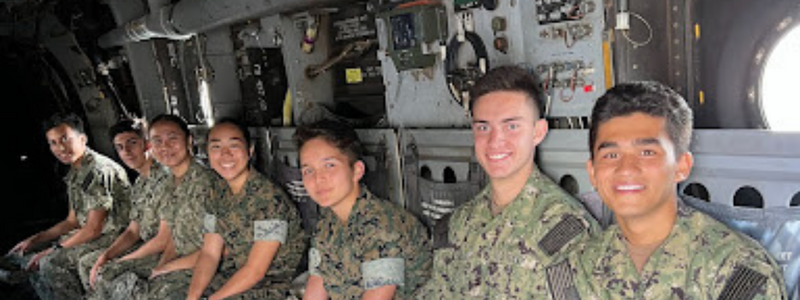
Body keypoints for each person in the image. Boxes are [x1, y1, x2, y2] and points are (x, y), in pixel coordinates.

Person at [576, 81, 786, 299]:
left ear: (681, 166)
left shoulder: (736, 268)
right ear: (592, 172)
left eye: (647, 152)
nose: (626, 169)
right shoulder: (582, 264)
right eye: (611, 155)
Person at [415, 65, 599, 299]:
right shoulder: (458, 225)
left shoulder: (564, 231)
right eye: (483, 127)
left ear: (538, 132)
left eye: (511, 126)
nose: (494, 141)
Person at [296, 119, 431, 300]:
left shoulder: (383, 226)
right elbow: (315, 289)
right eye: (308, 171)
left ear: (357, 171)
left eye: (329, 165)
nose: (318, 179)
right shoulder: (328, 222)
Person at [4, 112, 130, 300]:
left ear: (82, 139)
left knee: (50, 263)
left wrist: (53, 249)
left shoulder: (96, 170)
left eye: (65, 139)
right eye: (53, 143)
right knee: (27, 254)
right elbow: (72, 221)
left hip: (115, 233)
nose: (60, 147)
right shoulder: (76, 171)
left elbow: (94, 228)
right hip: (95, 232)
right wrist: (36, 239)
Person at [92, 114, 219, 299]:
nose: (165, 147)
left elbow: (215, 249)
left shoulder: (208, 184)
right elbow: (171, 237)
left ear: (189, 140)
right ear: (151, 145)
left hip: (204, 261)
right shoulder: (169, 183)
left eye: (172, 139)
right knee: (107, 274)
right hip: (179, 257)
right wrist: (162, 265)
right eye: (157, 141)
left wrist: (165, 269)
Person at [184, 118, 305, 299]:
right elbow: (210, 253)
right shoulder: (217, 191)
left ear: (250, 150)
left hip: (273, 285)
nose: (225, 154)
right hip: (236, 273)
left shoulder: (269, 199)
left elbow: (255, 271)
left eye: (234, 146)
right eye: (216, 147)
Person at [78, 118, 167, 296]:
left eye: (132, 143)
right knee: (90, 262)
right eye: (119, 147)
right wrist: (107, 256)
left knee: (106, 274)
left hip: (168, 250)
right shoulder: (141, 183)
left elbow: (165, 239)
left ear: (147, 144)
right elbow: (133, 231)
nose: (126, 151)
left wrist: (121, 261)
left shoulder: (165, 178)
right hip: (147, 244)